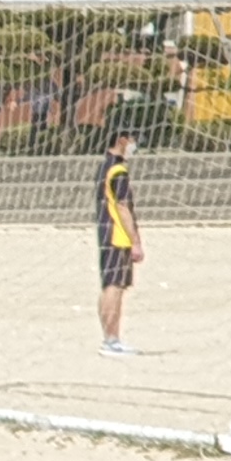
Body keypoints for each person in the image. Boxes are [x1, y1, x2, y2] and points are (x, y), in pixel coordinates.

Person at [98, 129, 144, 353]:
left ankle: (109, 337)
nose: (134, 144)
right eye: (132, 139)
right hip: (117, 236)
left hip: (106, 234)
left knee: (110, 285)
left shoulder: (105, 166)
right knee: (114, 286)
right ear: (122, 140)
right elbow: (123, 207)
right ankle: (111, 339)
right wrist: (135, 241)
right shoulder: (118, 171)